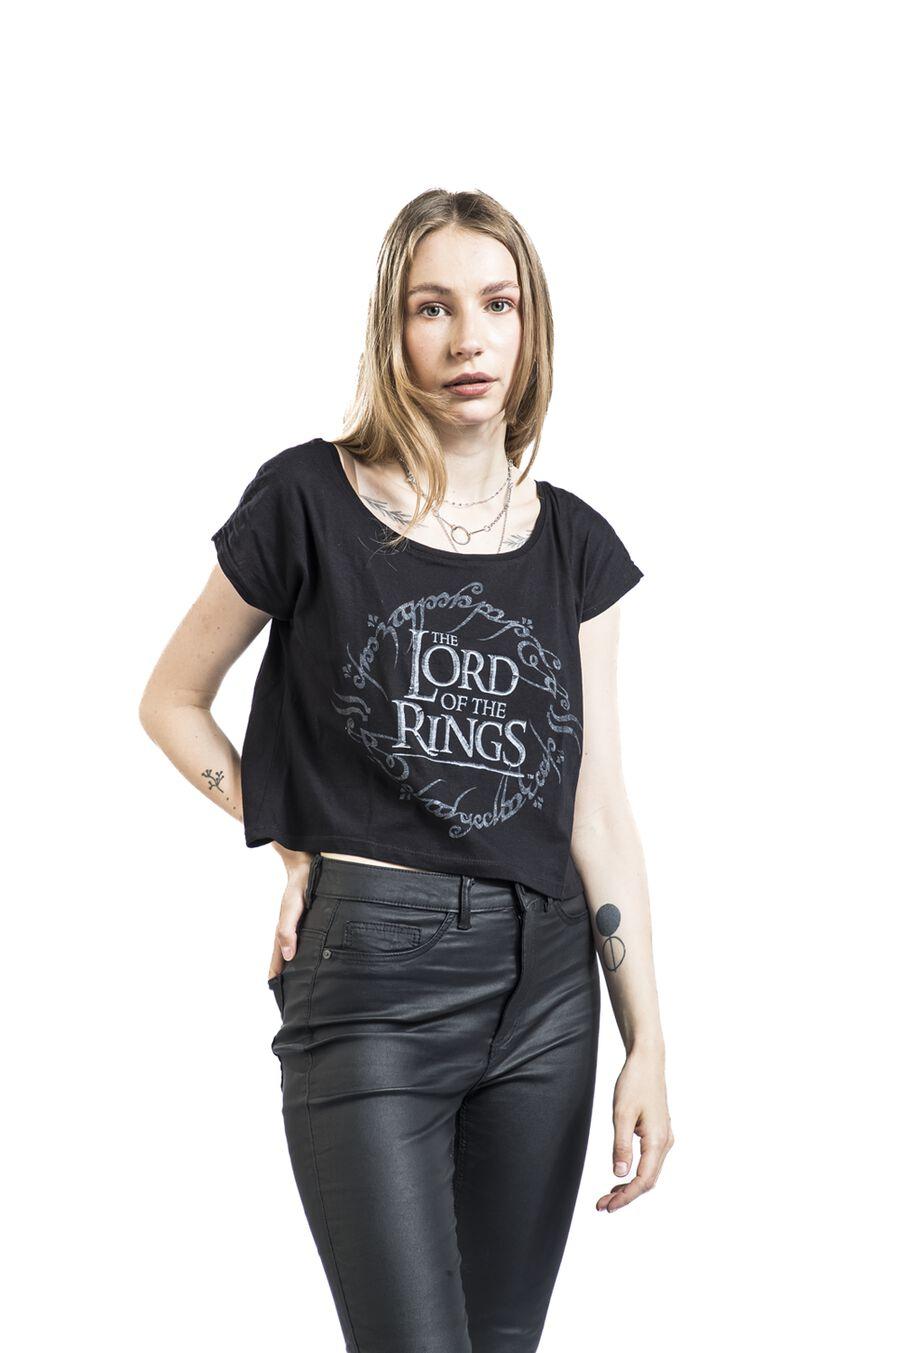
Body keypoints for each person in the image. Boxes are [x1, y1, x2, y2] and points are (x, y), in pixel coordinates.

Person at [139, 188, 674, 1353]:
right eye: (434, 309)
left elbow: (597, 810)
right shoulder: (308, 499)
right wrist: (290, 841)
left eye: (497, 305)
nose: (468, 339)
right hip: (373, 975)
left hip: (550, 991)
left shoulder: (577, 547)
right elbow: (171, 702)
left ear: (531, 325)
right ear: (394, 328)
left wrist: (648, 1044)